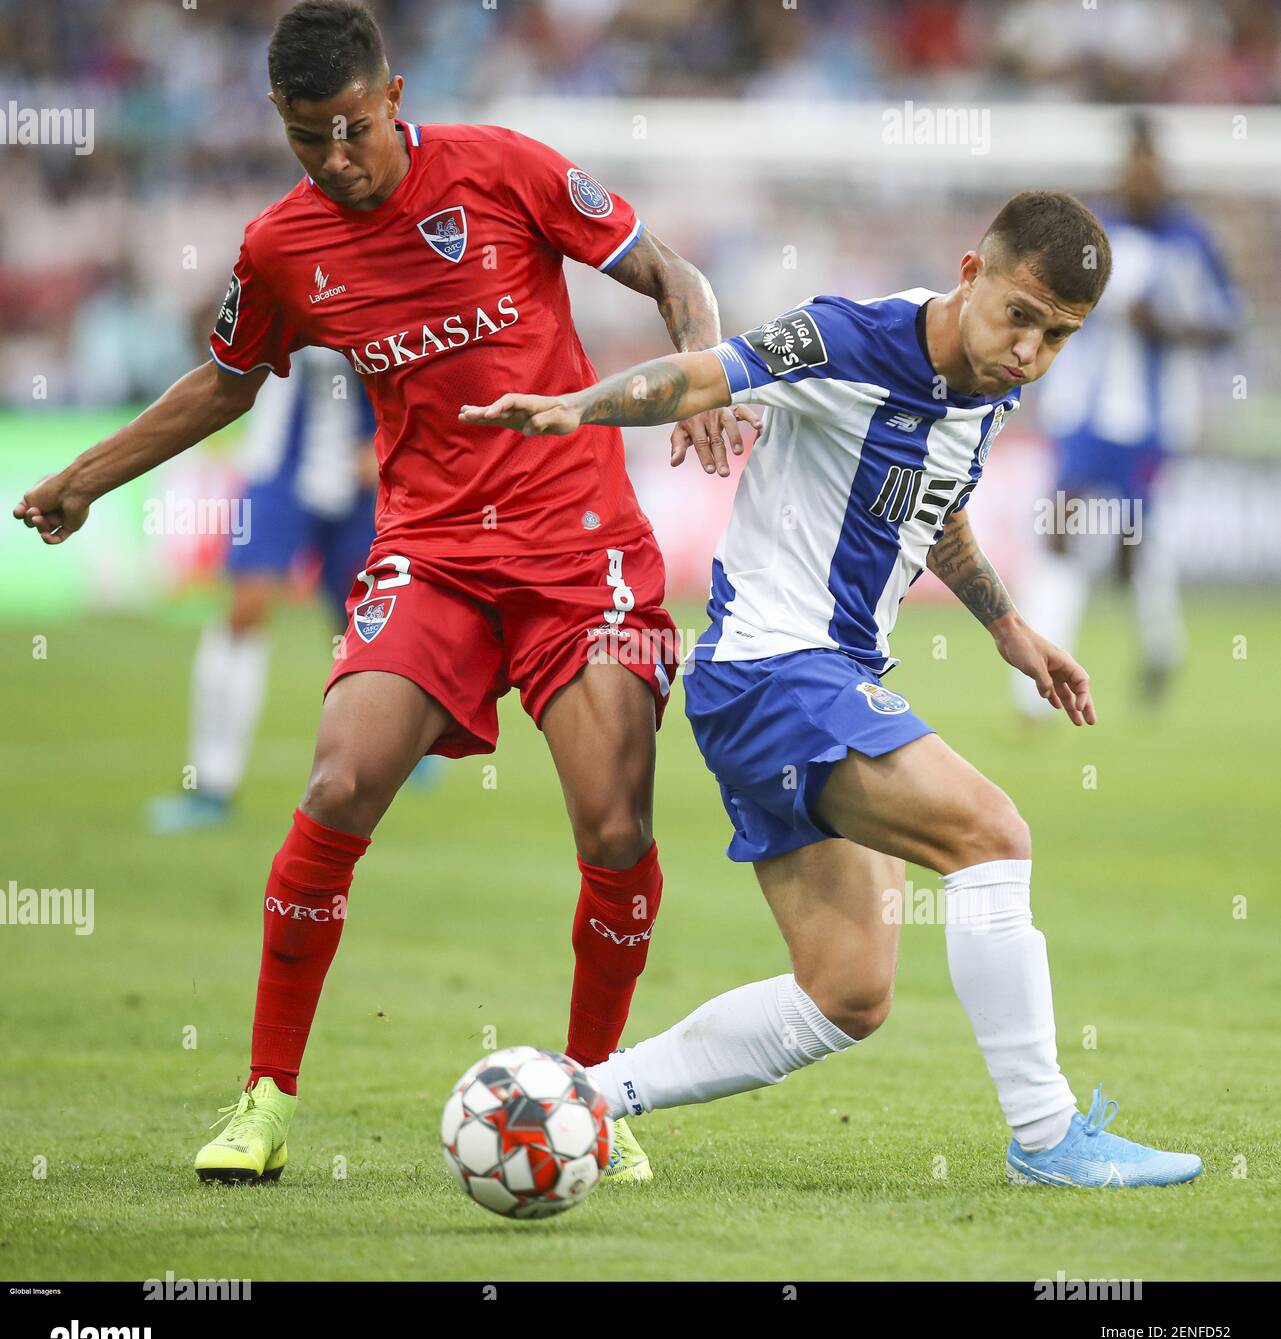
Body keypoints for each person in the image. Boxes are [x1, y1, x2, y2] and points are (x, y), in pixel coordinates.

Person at [14, 0, 757, 1186]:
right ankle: (264, 1097)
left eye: (355, 127)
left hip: (579, 558)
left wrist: (708, 380)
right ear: (282, 123)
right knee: (340, 779)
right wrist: (84, 478)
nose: (339, 157)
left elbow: (673, 271)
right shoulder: (280, 248)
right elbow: (222, 385)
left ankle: (589, 1100)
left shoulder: (506, 172)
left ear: (394, 96)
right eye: (311, 138)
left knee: (614, 826)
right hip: (434, 553)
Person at [461, 190, 1203, 1187]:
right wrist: (578, 409)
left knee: (847, 991)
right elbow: (701, 375)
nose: (1029, 350)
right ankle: (1047, 1135)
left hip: (816, 680)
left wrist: (1010, 627)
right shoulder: (846, 338)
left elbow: (932, 503)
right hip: (776, 672)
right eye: (1020, 317)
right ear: (972, 272)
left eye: (1059, 336)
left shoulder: (988, 383)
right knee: (994, 834)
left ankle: (583, 1095)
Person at [1012, 116, 1238, 715]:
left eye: (1149, 166)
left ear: (1161, 171)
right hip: (1082, 414)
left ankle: (1160, 647)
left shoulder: (1190, 242)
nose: (1140, 177)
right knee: (1059, 530)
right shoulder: (1094, 236)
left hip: (1151, 422)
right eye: (1131, 166)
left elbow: (1227, 322)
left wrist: (1167, 326)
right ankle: (1034, 693)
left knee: (1132, 545)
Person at [147, 348, 380, 834]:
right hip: (278, 470)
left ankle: (406, 739)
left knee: (370, 622)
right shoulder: (285, 274)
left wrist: (391, 439)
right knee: (243, 613)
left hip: (365, 476)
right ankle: (212, 784)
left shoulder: (395, 283)